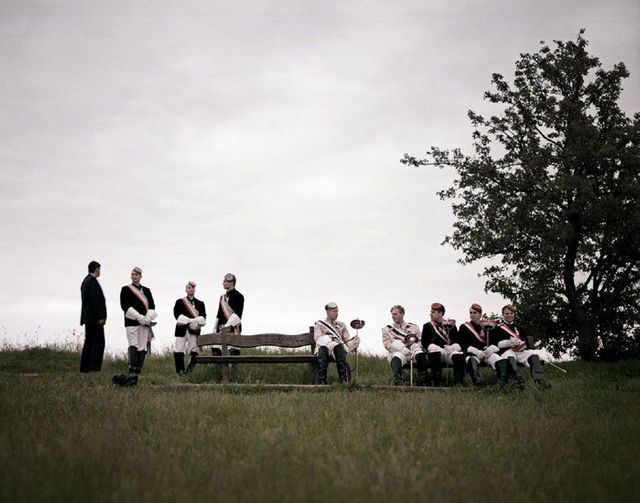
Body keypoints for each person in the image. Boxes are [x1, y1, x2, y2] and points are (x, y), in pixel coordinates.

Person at [113, 266, 157, 386]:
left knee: (142, 347)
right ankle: (131, 371)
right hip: (132, 322)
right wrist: (138, 316)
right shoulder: (126, 289)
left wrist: (148, 318)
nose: (134, 276)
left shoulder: (146, 290)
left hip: (144, 323)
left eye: (136, 274)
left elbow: (152, 306)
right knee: (133, 344)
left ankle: (137, 371)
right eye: (132, 274)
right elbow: (124, 306)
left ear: (140, 276)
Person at [494, 304, 551, 388]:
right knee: (510, 357)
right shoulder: (498, 328)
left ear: (514, 314)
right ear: (503, 315)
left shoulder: (519, 327)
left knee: (534, 356)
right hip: (506, 351)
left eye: (511, 313)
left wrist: (524, 345)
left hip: (519, 351)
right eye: (507, 313)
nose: (509, 315)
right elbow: (496, 343)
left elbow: (528, 340)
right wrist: (508, 343)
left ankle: (539, 380)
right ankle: (518, 381)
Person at [457, 303, 504, 386]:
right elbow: (463, 344)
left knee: (498, 359)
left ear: (480, 314)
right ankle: (477, 381)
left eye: (475, 313)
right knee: (471, 359)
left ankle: (503, 381)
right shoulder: (464, 327)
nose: (472, 315)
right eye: (471, 313)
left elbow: (496, 341)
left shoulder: (489, 325)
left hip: (487, 352)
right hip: (473, 353)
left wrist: (491, 349)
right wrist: (476, 351)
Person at [313, 302, 359, 385]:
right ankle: (322, 381)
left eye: (337, 311)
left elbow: (347, 341)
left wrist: (354, 343)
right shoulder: (319, 325)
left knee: (339, 347)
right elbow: (318, 339)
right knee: (323, 349)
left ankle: (343, 380)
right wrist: (330, 340)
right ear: (328, 312)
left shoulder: (342, 325)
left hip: (338, 349)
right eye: (334, 311)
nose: (336, 313)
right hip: (325, 347)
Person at [382, 305, 428, 385]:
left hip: (413, 351)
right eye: (392, 314)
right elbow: (387, 345)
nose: (393, 316)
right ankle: (398, 381)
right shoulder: (387, 329)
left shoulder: (413, 327)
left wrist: (415, 346)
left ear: (402, 314)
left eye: (395, 314)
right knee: (397, 356)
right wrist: (401, 348)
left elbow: (420, 341)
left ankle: (422, 380)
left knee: (419, 352)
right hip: (399, 352)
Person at [422, 302, 465, 385]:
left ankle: (458, 383)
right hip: (437, 352)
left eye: (433, 312)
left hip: (450, 351)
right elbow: (425, 342)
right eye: (431, 312)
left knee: (458, 355)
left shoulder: (451, 325)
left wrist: (453, 347)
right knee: (434, 353)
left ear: (440, 313)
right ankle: (438, 382)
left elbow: (457, 340)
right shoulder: (427, 326)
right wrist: (438, 347)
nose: (430, 314)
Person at [173, 281, 207, 374]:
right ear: (186, 290)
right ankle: (180, 371)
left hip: (194, 330)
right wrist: (191, 321)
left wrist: (195, 323)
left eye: (192, 288)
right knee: (178, 350)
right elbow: (177, 315)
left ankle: (189, 372)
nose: (191, 289)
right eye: (189, 288)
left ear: (195, 290)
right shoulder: (179, 302)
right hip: (181, 329)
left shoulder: (200, 303)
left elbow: (203, 318)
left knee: (193, 351)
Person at [79, 260, 107, 372]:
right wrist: (100, 317)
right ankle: (94, 367)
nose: (100, 271)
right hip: (94, 318)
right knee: (98, 342)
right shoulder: (92, 282)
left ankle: (85, 367)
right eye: (99, 269)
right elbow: (95, 301)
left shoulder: (85, 281)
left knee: (89, 341)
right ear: (96, 269)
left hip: (89, 317)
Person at [212, 273, 244, 356]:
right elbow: (219, 314)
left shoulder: (239, 296)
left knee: (232, 355)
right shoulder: (222, 297)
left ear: (232, 282)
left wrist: (226, 327)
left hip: (233, 329)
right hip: (220, 329)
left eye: (225, 281)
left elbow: (237, 315)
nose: (223, 283)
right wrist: (214, 329)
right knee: (216, 352)